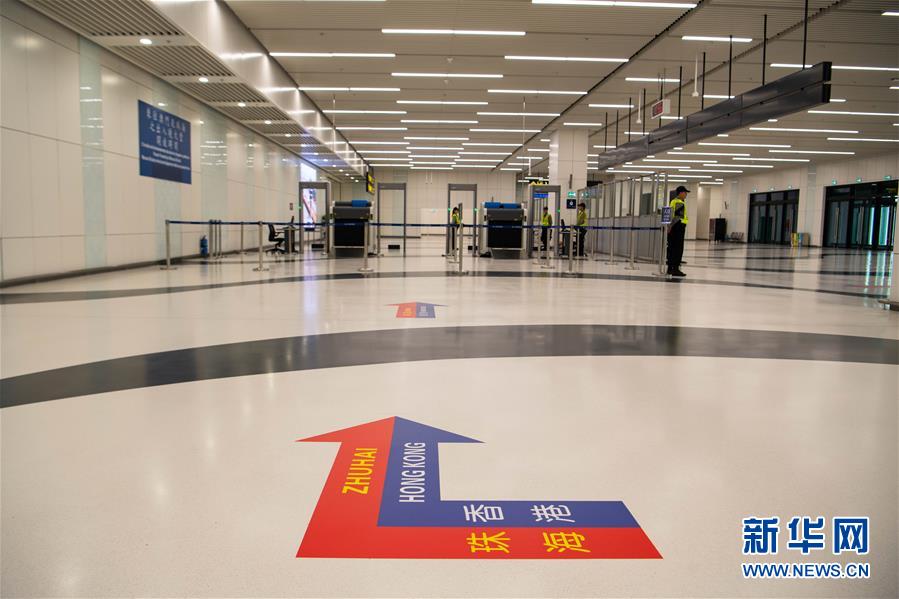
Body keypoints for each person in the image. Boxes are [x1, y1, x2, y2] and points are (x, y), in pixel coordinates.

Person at [667, 185, 689, 277]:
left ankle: (670, 268)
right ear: (681, 193)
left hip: (674, 228)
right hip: (678, 227)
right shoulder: (679, 202)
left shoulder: (673, 201)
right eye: (685, 193)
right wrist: (672, 227)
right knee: (678, 248)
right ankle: (675, 269)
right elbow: (677, 217)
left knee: (672, 248)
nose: (686, 194)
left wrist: (670, 228)